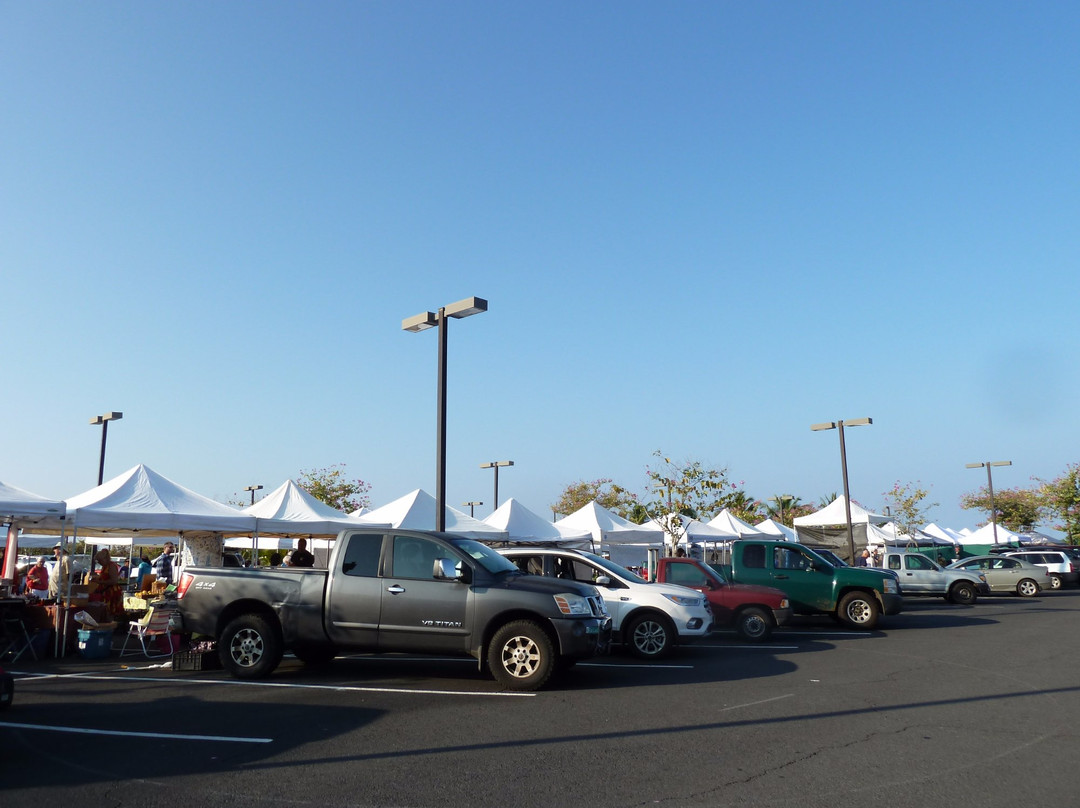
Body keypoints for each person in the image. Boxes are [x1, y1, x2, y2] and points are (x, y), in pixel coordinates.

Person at [88, 548, 124, 620]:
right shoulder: (104, 567)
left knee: (111, 612)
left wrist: (100, 582)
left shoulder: (112, 566)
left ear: (104, 559)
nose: (99, 563)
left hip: (112, 592)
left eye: (99, 561)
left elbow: (114, 581)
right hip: (105, 592)